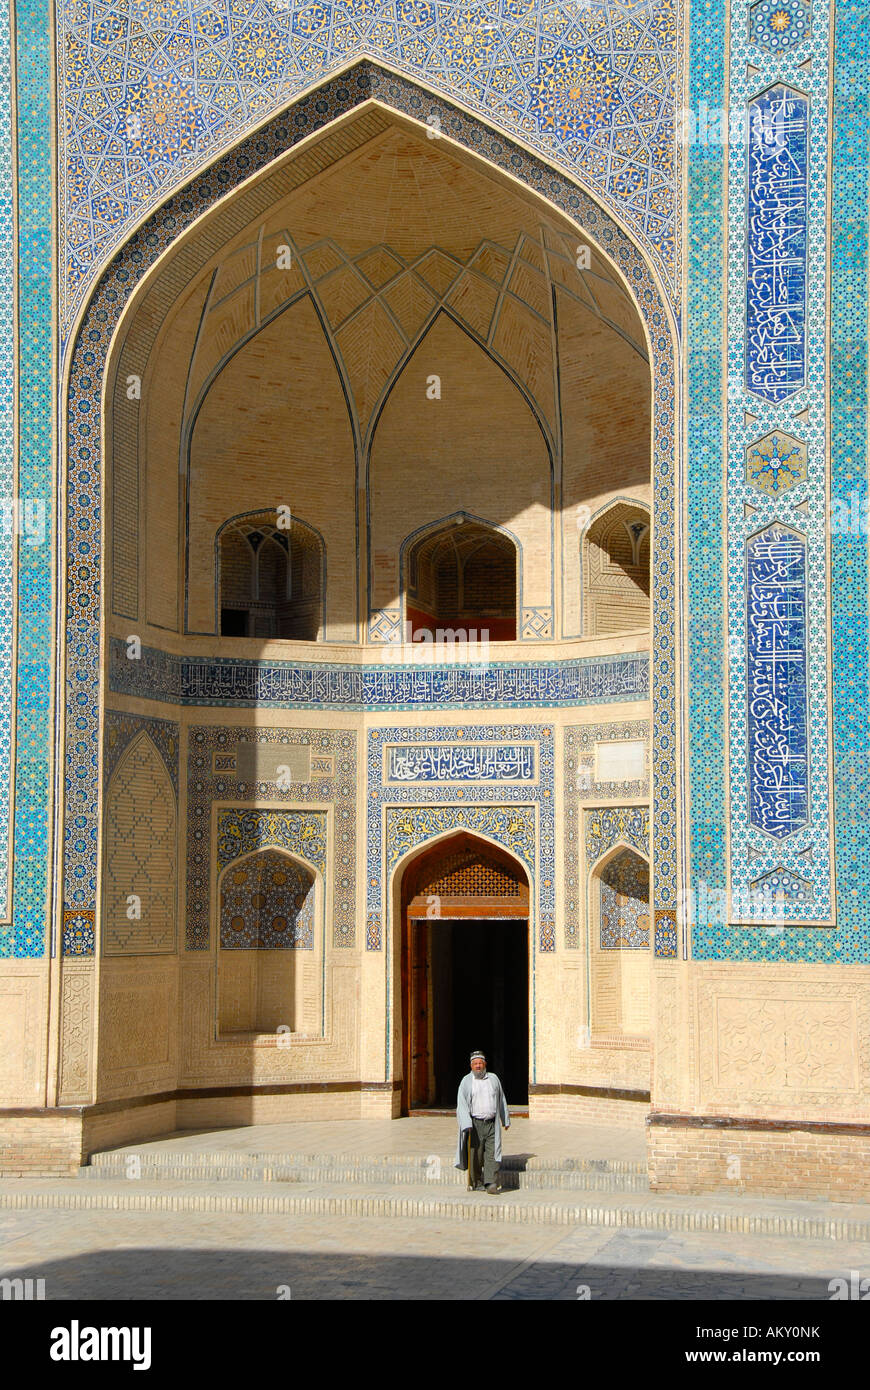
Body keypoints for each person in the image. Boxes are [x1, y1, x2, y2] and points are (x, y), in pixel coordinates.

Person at [454, 1050, 510, 1194]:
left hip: (491, 1123)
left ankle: (490, 1183)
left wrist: (505, 1119)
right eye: (475, 1064)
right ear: (471, 1066)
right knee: (476, 1155)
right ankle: (477, 1182)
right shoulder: (466, 1081)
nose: (478, 1066)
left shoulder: (493, 1079)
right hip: (475, 1125)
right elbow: (462, 1104)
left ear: (485, 1064)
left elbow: (501, 1099)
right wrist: (466, 1124)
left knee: (492, 1154)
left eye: (480, 1063)